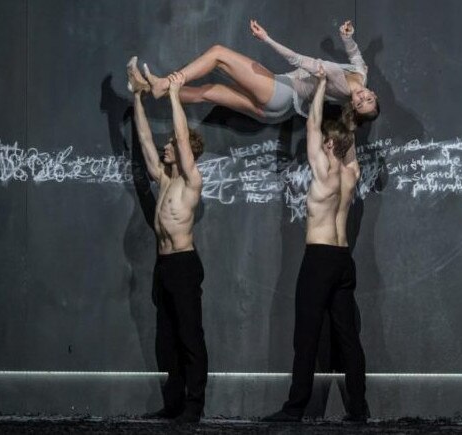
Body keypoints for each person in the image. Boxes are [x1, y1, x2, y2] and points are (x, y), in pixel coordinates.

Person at [262, 67, 369, 423]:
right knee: (348, 339)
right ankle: (358, 411)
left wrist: (322, 84)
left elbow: (312, 124)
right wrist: (349, 114)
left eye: (326, 139)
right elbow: (349, 138)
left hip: (320, 258)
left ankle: (295, 409)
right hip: (342, 260)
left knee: (306, 336)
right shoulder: (351, 174)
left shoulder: (323, 168)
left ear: (328, 144)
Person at [128, 58, 208, 424]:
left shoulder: (191, 181)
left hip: (183, 264)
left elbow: (179, 135)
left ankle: (195, 405)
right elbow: (144, 142)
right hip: (163, 266)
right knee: (167, 341)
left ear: (184, 150)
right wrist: (137, 100)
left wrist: (175, 95)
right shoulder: (163, 180)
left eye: (171, 145)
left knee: (190, 337)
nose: (165, 147)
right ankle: (174, 404)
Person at [132, 19, 378, 128]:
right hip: (275, 111)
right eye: (368, 99)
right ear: (372, 94)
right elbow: (356, 57)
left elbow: (297, 59)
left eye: (359, 104)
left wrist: (266, 39)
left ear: (353, 107)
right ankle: (146, 90)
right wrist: (347, 38)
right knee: (208, 92)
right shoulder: (362, 75)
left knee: (218, 54)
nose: (361, 98)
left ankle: (163, 84)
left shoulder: (339, 83)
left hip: (282, 93)